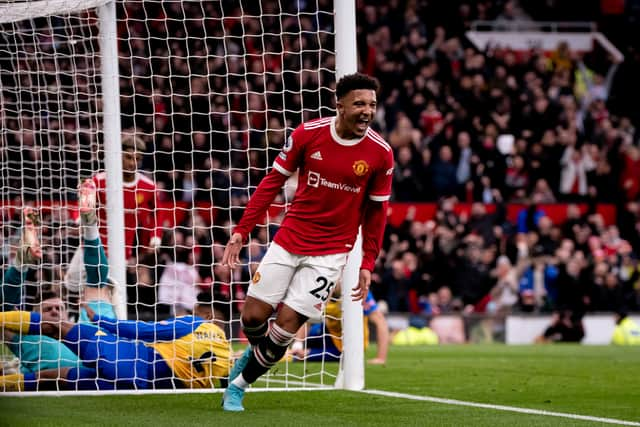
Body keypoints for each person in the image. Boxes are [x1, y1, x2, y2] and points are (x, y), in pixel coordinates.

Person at [221, 73, 393, 411]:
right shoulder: (307, 134)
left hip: (330, 254)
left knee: (286, 326)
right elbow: (272, 182)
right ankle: (256, 353)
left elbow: (376, 214)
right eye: (359, 103)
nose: (367, 111)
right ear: (339, 104)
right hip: (289, 239)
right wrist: (242, 230)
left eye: (372, 105)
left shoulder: (380, 154)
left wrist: (368, 263)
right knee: (253, 318)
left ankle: (239, 387)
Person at [0, 291, 231, 391]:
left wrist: (102, 321)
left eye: (196, 310)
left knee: (55, 328)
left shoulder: (195, 323)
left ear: (208, 316)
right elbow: (229, 386)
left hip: (127, 359)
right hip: (139, 387)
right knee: (54, 379)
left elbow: (143, 330)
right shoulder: (227, 357)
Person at [64, 134, 161, 294]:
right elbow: (81, 201)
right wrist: (77, 219)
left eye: (137, 158)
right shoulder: (100, 180)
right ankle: (75, 312)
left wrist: (155, 236)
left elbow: (159, 213)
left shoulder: (148, 187)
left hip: (120, 251)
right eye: (128, 157)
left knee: (111, 293)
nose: (132, 163)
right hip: (92, 244)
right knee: (72, 284)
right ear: (119, 156)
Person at [1, 208, 81, 375]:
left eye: (59, 308)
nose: (54, 312)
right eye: (47, 309)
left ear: (68, 316)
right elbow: (5, 307)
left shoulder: (81, 334)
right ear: (33, 318)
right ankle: (23, 258)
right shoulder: (29, 340)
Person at [289, 288, 389, 365]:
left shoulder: (357, 292)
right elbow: (306, 319)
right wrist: (298, 343)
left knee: (300, 356)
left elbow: (380, 322)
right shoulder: (322, 289)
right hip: (327, 332)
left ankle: (304, 353)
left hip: (348, 345)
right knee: (289, 337)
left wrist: (381, 358)